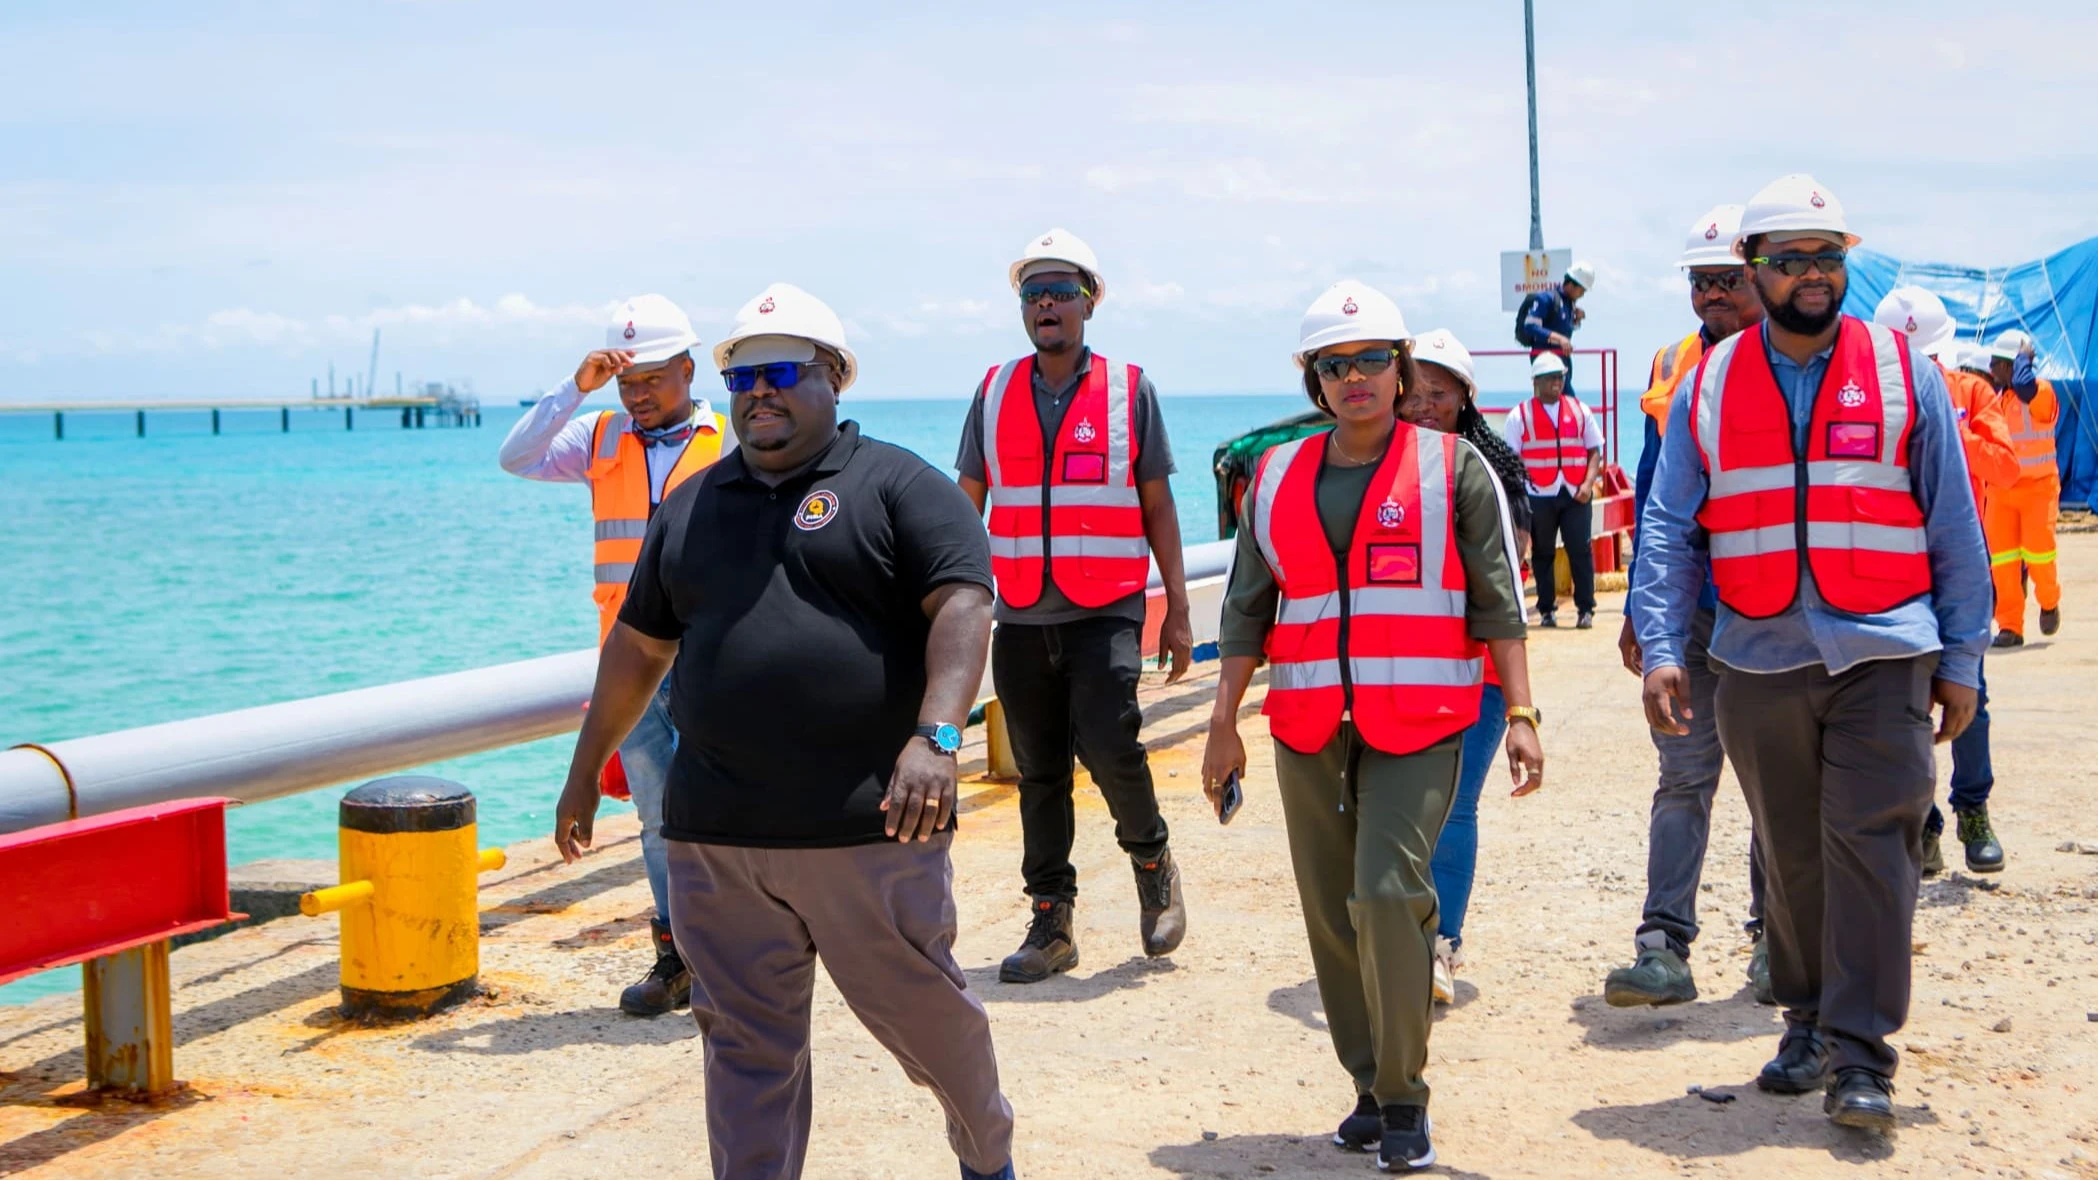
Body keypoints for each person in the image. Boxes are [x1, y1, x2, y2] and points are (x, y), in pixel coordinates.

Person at [552, 283, 1017, 1180]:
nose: (758, 391)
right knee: (743, 1049)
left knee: (928, 1024)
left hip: (869, 829)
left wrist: (939, 737)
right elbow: (639, 645)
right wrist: (585, 768)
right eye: (742, 375)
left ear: (835, 377)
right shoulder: (690, 506)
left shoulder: (899, 486)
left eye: (781, 371)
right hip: (716, 839)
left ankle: (987, 1162)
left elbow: (963, 602)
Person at [1632, 174, 1990, 1133]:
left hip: (1885, 648)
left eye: (1829, 257)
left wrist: (1964, 661)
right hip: (1756, 656)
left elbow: (1953, 521)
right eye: (1790, 259)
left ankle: (1862, 1055)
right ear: (1754, 272)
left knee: (1873, 845)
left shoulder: (1905, 372)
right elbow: (1667, 526)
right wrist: (1663, 643)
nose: (1814, 275)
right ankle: (1806, 1020)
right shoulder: (1706, 383)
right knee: (1791, 855)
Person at [1202, 283, 1544, 1170]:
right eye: (1333, 365)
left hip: (1423, 719)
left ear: (1399, 371)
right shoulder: (1274, 477)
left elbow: (1499, 601)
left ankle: (1404, 1099)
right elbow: (1245, 612)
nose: (1354, 378)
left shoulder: (1454, 470)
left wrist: (1521, 712)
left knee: (1389, 894)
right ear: (1315, 381)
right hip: (1310, 724)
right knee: (1328, 913)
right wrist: (1222, 724)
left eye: (1369, 362)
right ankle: (1364, 1084)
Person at [955, 228, 1193, 984]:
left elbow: (1158, 503)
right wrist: (946, 605)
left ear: (1089, 301)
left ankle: (1151, 860)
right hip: (1020, 612)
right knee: (1039, 772)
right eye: (1034, 293)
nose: (1047, 304)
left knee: (1111, 740)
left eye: (1061, 291)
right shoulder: (992, 392)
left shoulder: (1130, 390)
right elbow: (965, 506)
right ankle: (1051, 922)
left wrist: (1180, 609)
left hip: (1107, 608)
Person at [499, 294, 726, 1016]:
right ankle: (677, 959)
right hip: (627, 663)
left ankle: (743, 952)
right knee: (658, 818)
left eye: (651, 379)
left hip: (710, 660)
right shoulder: (599, 437)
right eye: (627, 381)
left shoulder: (730, 441)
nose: (637, 395)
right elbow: (517, 455)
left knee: (724, 811)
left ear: (689, 369)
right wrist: (578, 388)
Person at [1607, 204, 1773, 1010]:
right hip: (1691, 608)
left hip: (1770, 609)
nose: (1712, 295)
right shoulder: (1673, 363)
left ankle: (1776, 939)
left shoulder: (1789, 362)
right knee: (1683, 775)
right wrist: (1643, 608)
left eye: (1727, 281)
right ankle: (1663, 944)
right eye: (1700, 281)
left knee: (1774, 780)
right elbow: (1653, 498)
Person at [1401, 328, 1533, 1005]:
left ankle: (1439, 946)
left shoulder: (1488, 476)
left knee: (1453, 807)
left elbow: (1509, 588)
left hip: (1474, 673)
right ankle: (1398, 938)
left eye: (1439, 391)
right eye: (1413, 391)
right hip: (1394, 671)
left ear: (1464, 399)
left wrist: (1521, 710)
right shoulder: (1373, 469)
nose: (1424, 403)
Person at [1874, 289, 2018, 877]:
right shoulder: (1870, 397)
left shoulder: (1972, 392)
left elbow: (2006, 466)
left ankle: (1973, 811)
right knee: (1897, 703)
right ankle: (1924, 820)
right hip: (1893, 572)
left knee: (1969, 695)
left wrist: (1945, 437)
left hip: (1956, 567)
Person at [1503, 352, 1604, 628]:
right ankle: (1546, 609)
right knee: (1543, 553)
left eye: (1560, 377)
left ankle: (1586, 609)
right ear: (1536, 382)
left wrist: (1587, 484)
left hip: (1574, 492)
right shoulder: (1519, 415)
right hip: (1538, 493)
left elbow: (1595, 449)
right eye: (1550, 378)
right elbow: (1511, 460)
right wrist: (1519, 495)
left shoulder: (1580, 410)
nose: (1556, 383)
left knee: (1580, 550)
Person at [1983, 327, 2064, 648]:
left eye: (1997, 363)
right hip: (2001, 491)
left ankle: (2049, 600)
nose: (1991, 369)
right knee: (2002, 562)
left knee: (2039, 554)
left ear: (2014, 365)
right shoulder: (1994, 399)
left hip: (2038, 490)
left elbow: (2026, 386)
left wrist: (2024, 357)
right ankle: (2010, 626)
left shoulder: (2041, 393)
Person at [1515, 261, 1594, 392]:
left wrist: (1577, 320)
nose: (1582, 295)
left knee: (1562, 404)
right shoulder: (1547, 298)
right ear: (1572, 285)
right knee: (1568, 402)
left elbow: (1564, 329)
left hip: (1562, 360)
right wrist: (1560, 339)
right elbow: (1529, 326)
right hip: (1546, 361)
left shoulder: (1569, 304)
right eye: (1582, 290)